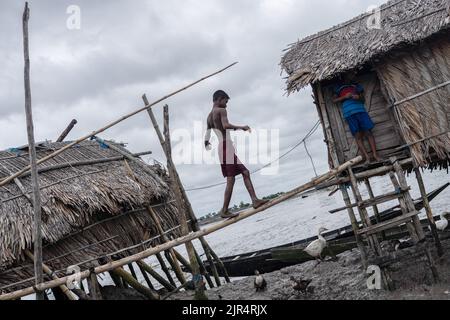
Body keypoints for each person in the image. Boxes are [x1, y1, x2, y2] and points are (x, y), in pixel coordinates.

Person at [204, 90, 268, 219]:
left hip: (222, 147)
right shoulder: (221, 111)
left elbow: (207, 134)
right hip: (226, 146)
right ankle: (224, 210)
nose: (226, 105)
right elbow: (226, 125)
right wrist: (242, 127)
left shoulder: (209, 116)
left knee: (245, 173)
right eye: (225, 102)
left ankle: (254, 200)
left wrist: (206, 143)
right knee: (231, 179)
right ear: (219, 99)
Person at [332, 76, 382, 164]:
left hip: (360, 110)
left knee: (368, 133)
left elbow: (363, 98)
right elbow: (334, 100)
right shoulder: (338, 87)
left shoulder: (356, 86)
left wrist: (358, 97)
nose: (349, 74)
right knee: (358, 136)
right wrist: (344, 97)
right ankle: (367, 158)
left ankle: (375, 155)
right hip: (349, 113)